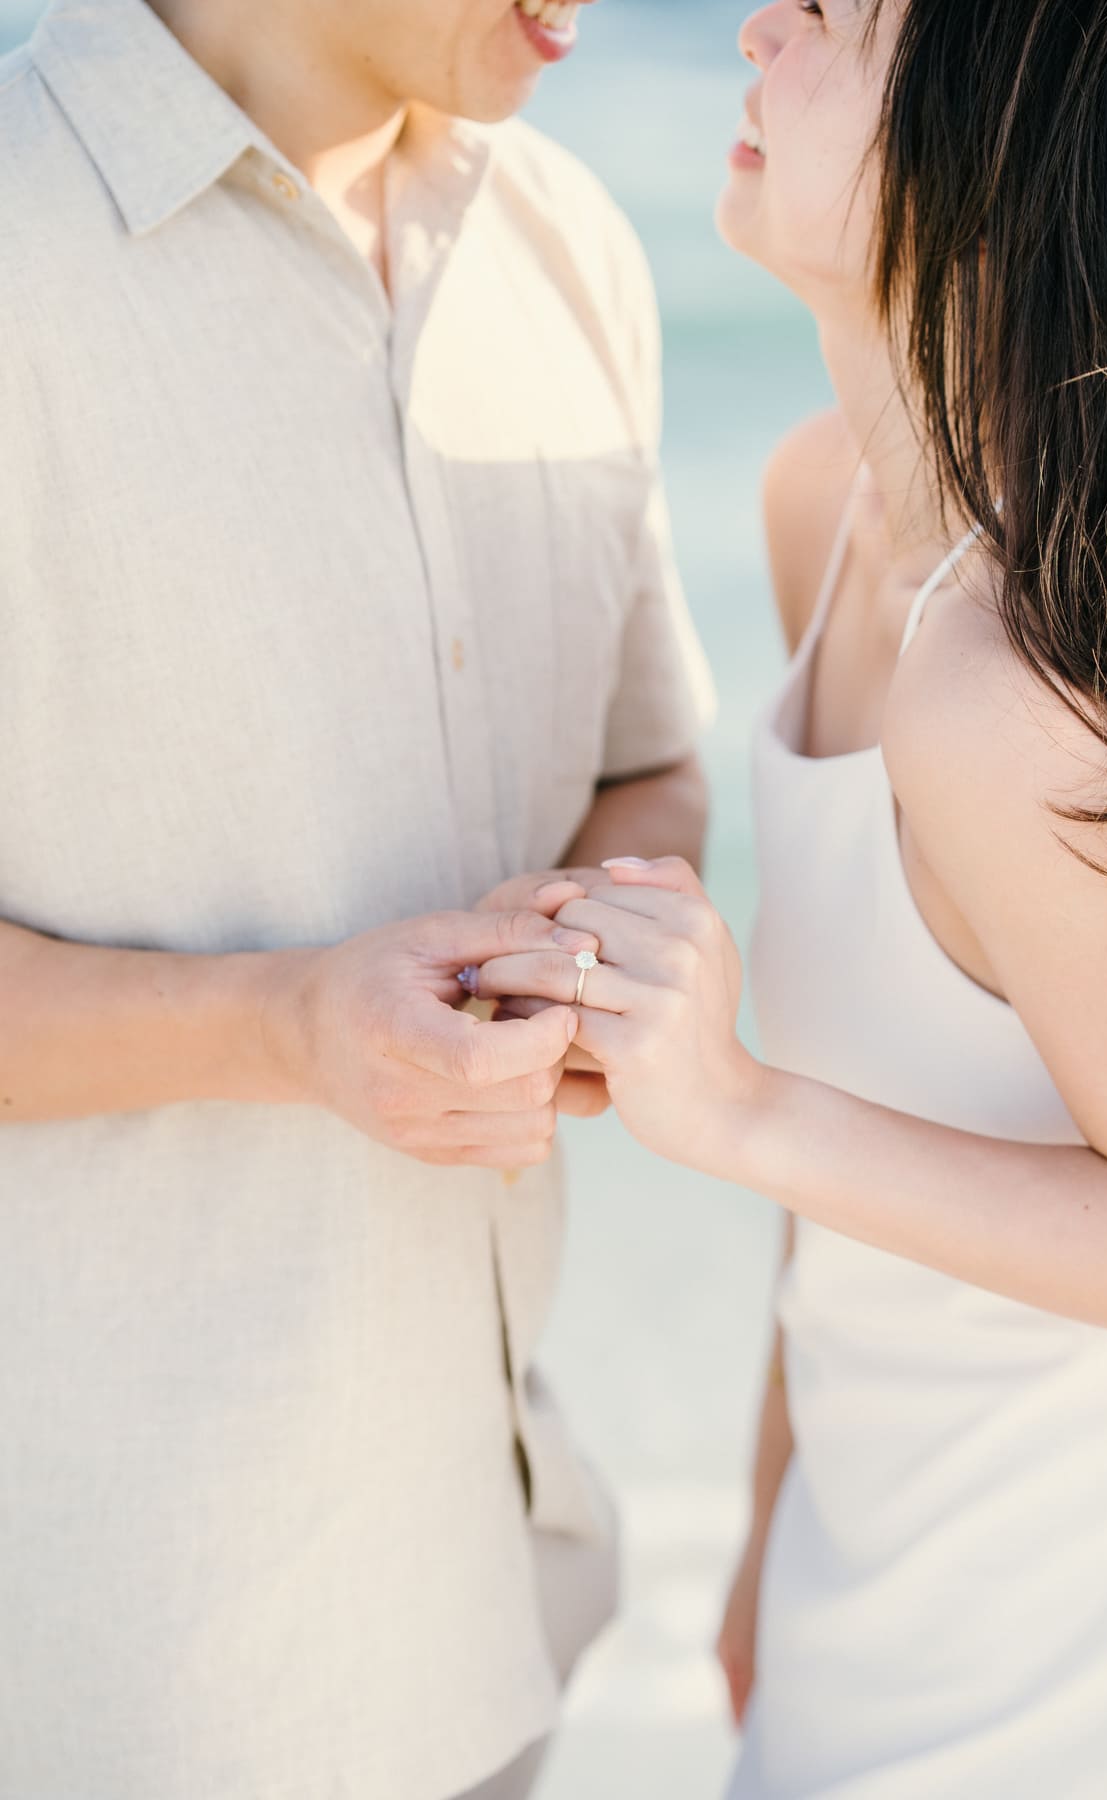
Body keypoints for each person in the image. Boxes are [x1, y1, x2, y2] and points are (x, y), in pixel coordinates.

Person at [477, 1, 1107, 1794]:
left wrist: (731, 1108)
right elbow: (869, 1180)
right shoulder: (826, 505)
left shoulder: (1009, 695)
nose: (756, 27)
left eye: (839, 17)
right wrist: (768, 1514)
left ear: (995, 144)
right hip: (856, 1597)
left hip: (1072, 1672)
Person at [0, 1, 714, 1796]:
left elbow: (650, 769)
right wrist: (287, 1025)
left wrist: (582, 965)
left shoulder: (572, 246)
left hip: (499, 1598)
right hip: (119, 1664)